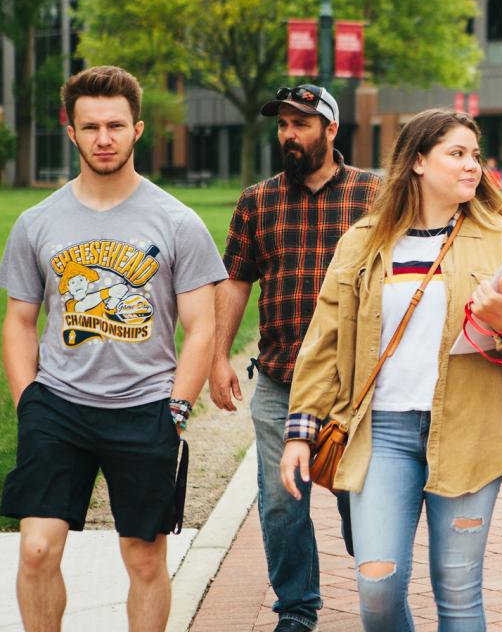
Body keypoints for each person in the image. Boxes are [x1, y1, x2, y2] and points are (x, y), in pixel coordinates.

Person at [278, 109, 502, 631]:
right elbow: (324, 341)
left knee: (458, 591)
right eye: (456, 154)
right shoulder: (363, 241)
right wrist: (301, 431)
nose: (471, 166)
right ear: (416, 162)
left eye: (475, 155)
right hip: (381, 432)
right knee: (378, 586)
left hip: (470, 430)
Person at [0, 66, 227, 632]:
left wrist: (177, 408)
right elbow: (20, 321)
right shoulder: (37, 222)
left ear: (138, 129)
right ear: (70, 132)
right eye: (91, 126)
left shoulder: (178, 222)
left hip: (145, 406)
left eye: (116, 125)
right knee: (37, 551)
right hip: (59, 407)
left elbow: (202, 326)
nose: (104, 138)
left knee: (144, 557)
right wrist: (30, 403)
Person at [210, 83, 380, 632]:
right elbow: (235, 283)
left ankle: (379, 591)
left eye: (302, 123)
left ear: (331, 130)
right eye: (283, 123)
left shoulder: (373, 195)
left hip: (356, 386)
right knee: (281, 503)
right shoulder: (257, 201)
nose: (289, 133)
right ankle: (297, 610)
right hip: (281, 380)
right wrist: (218, 357)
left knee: (362, 501)